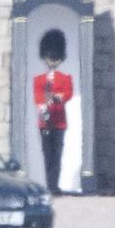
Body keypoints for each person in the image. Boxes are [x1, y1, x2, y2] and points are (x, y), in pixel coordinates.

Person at [33, 29, 73, 195]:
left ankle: (53, 186)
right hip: (44, 121)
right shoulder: (39, 79)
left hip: (59, 121)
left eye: (55, 58)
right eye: (50, 57)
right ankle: (49, 184)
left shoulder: (65, 78)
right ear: (45, 57)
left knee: (57, 155)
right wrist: (43, 105)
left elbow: (68, 93)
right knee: (47, 154)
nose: (52, 61)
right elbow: (37, 95)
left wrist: (57, 98)